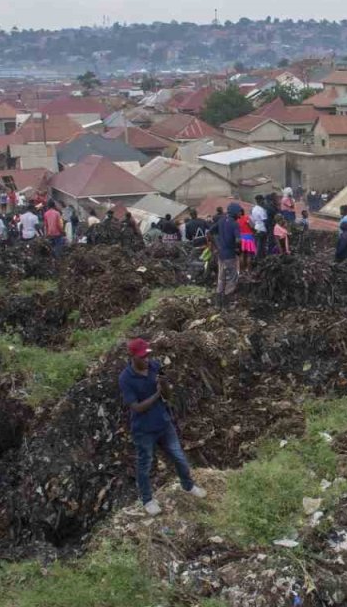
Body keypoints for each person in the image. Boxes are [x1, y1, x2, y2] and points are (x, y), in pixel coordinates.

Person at [119, 338, 207, 516]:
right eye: (142, 357)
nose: (146, 360)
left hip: (164, 423)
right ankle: (148, 500)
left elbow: (167, 396)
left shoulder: (154, 366)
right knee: (145, 465)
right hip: (143, 430)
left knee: (179, 456)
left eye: (147, 356)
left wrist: (164, 386)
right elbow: (136, 407)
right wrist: (157, 393)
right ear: (132, 357)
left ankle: (188, 486)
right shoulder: (126, 378)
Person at [213, 203, 241, 305]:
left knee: (221, 277)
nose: (240, 214)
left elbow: (210, 232)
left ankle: (218, 302)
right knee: (232, 278)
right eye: (238, 212)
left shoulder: (221, 220)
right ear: (234, 212)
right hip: (230, 255)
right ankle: (227, 301)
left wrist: (217, 246)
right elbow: (238, 240)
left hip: (221, 254)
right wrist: (239, 249)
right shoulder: (234, 224)